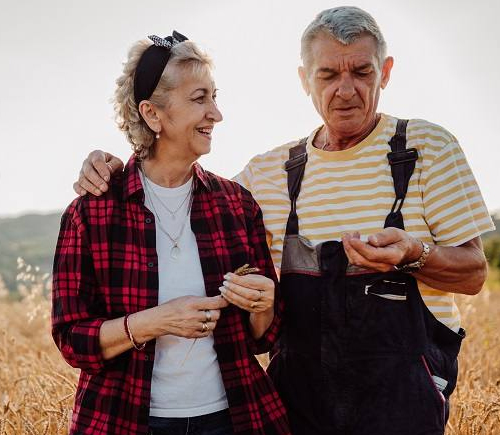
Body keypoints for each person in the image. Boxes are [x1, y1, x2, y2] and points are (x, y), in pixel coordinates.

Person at [73, 8, 495, 435]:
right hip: (301, 408)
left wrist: (413, 254)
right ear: (304, 79)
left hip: (403, 406)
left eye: (362, 72)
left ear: (384, 72)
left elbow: (474, 274)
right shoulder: (269, 173)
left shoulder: (428, 149)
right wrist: (108, 165)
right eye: (328, 74)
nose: (345, 89)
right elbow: (176, 188)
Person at [52, 31, 291, 435]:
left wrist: (264, 302)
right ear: (152, 114)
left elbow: (263, 337)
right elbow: (72, 339)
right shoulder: (92, 212)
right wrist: (154, 322)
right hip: (125, 420)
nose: (216, 114)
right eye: (199, 99)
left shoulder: (236, 205)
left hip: (234, 419)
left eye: (215, 97)